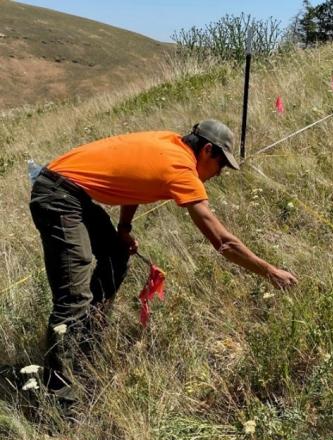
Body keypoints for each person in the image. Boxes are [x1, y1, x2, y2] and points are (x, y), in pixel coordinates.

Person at [30, 119, 297, 400]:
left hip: (67, 188)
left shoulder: (169, 143)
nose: (218, 174)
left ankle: (86, 336)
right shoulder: (181, 169)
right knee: (72, 298)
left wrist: (124, 229)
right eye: (221, 165)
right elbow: (223, 242)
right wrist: (270, 272)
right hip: (59, 196)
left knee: (116, 253)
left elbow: (133, 181)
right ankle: (62, 398)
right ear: (207, 150)